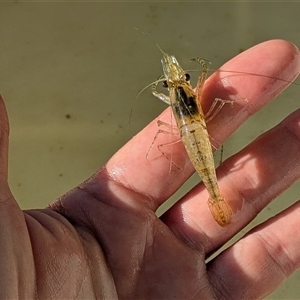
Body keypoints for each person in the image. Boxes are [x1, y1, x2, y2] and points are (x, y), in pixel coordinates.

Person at [1, 39, 300, 299]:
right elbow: (209, 88)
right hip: (198, 132)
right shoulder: (191, 95)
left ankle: (216, 195)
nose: (177, 83)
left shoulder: (174, 100)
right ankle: (216, 195)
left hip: (191, 133)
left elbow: (168, 113)